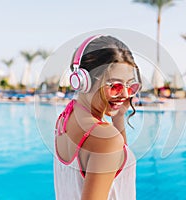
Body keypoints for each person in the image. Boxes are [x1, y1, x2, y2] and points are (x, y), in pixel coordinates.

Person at [54, 35, 142, 200]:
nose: (125, 94)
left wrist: (118, 117)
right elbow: (109, 148)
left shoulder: (66, 117)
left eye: (130, 86)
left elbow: (117, 169)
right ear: (83, 81)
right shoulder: (106, 140)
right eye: (115, 86)